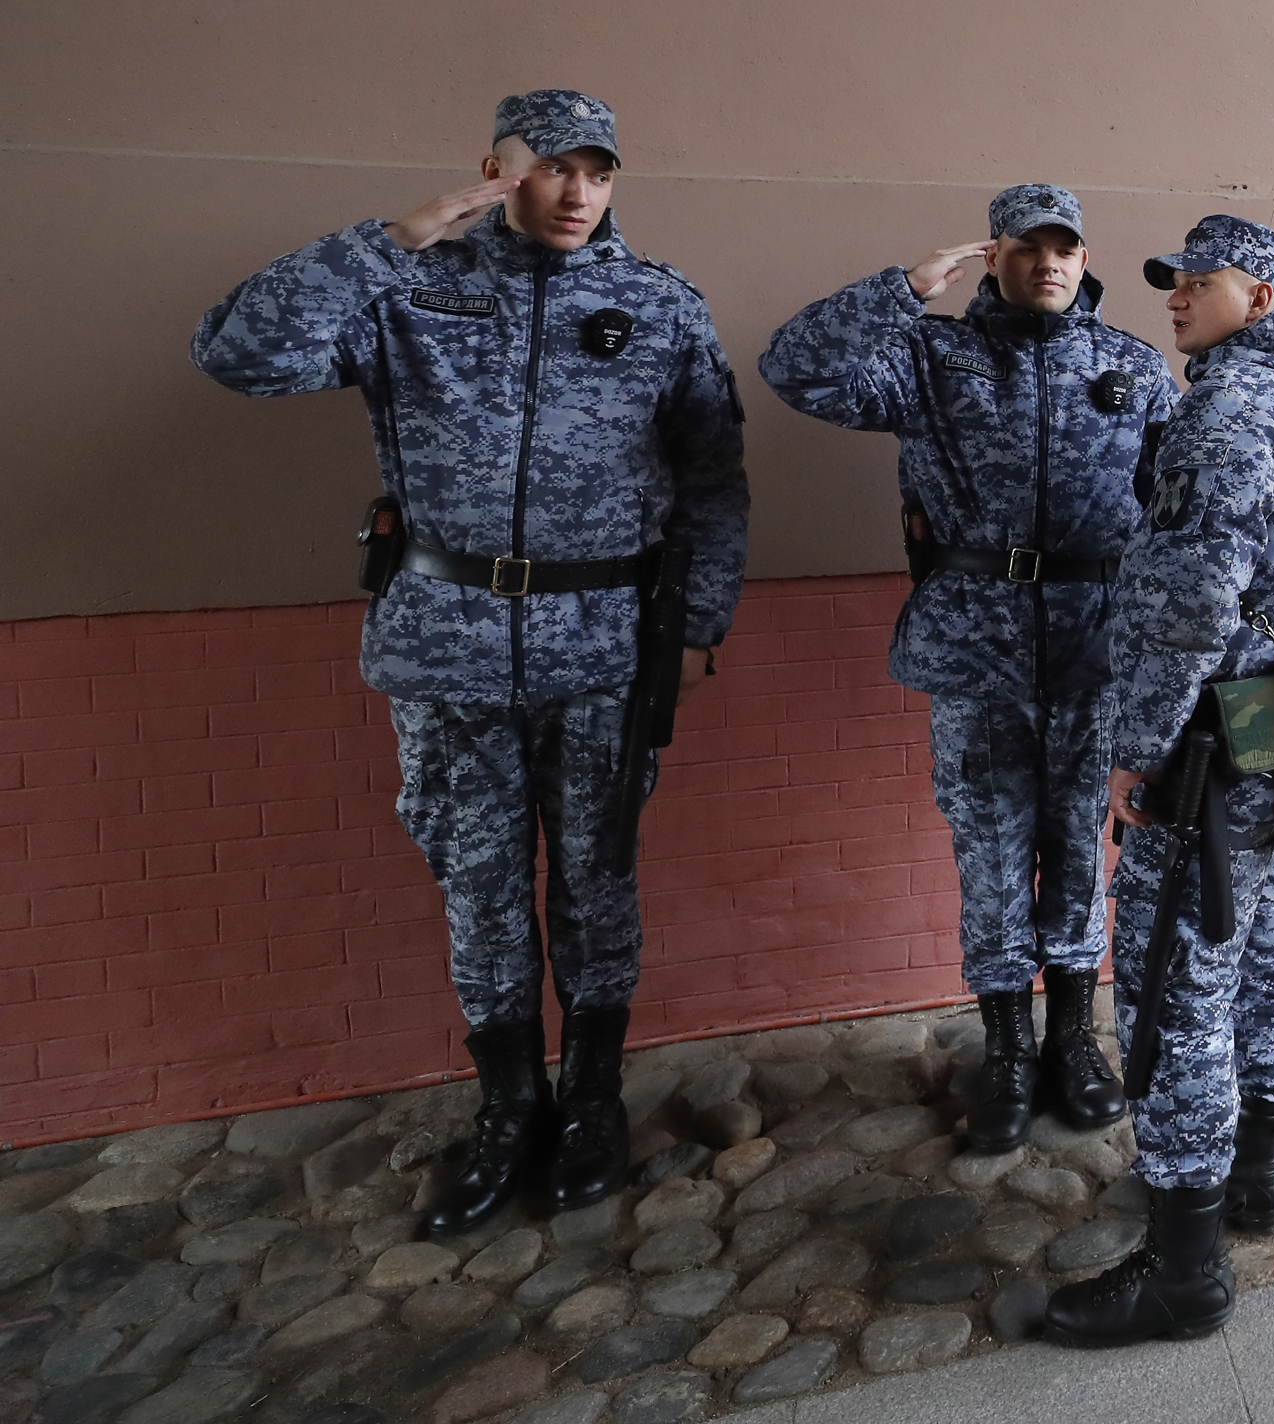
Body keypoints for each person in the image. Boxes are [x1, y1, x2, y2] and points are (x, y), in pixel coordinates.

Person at [191, 90, 749, 1233]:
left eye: (599, 170)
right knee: (481, 888)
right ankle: (509, 1106)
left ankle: (593, 1097)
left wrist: (695, 628)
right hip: (447, 648)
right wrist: (392, 236)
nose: (578, 191)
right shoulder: (406, 289)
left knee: (597, 880)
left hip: (603, 648)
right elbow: (236, 353)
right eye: (552, 167)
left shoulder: (658, 304)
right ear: (496, 168)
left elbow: (711, 481)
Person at [760, 186, 1177, 1152]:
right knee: (989, 855)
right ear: (995, 256)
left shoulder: (1130, 364)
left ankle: (1073, 1038)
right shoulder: (930, 357)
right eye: (1028, 247)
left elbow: (1171, 504)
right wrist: (902, 290)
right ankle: (1008, 1049)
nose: (1050, 263)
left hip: (1092, 647)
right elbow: (793, 367)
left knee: (1079, 844)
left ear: (1085, 254)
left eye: (1065, 246)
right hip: (975, 647)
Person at [1044, 215, 1274, 1346]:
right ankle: (1257, 1172)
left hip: (1203, 747)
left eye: (1200, 279)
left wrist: (1136, 746)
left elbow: (1186, 605)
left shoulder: (1228, 412)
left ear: (1262, 297)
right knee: (1264, 943)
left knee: (1176, 985)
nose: (1176, 293)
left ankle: (1184, 1267)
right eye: (1173, 278)